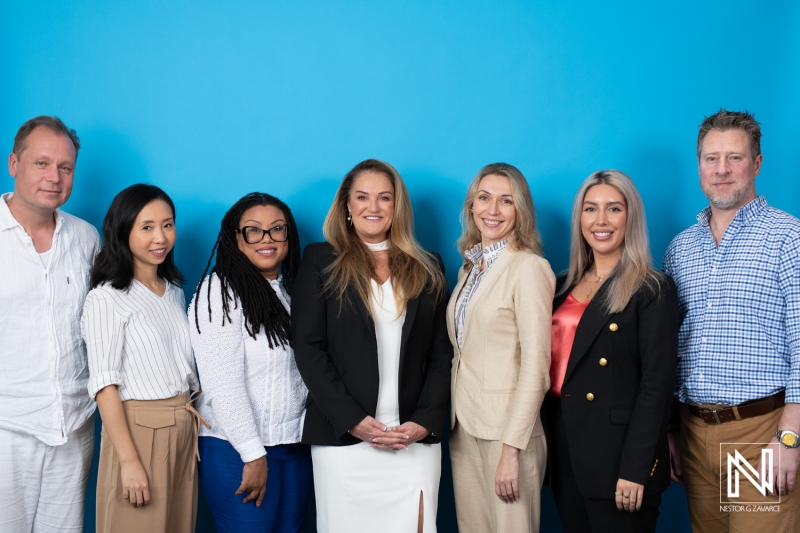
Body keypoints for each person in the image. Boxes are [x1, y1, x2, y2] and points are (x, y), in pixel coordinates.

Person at [292, 159, 451, 533]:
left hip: (412, 440)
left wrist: (424, 424)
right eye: (362, 197)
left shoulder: (429, 266)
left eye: (384, 197)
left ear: (398, 207)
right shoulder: (320, 259)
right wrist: (352, 422)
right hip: (345, 441)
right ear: (347, 205)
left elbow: (442, 355)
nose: (373, 207)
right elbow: (308, 347)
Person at [663, 109, 800, 532]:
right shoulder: (679, 249)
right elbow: (670, 345)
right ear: (699, 165)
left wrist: (790, 439)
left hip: (760, 435)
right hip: (693, 432)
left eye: (735, 158)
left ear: (756, 163)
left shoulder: (788, 238)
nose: (722, 169)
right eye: (711, 158)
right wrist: (671, 430)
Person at [542, 170, 678, 533]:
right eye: (590, 209)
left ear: (630, 217)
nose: (600, 221)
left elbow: (657, 385)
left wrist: (636, 468)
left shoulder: (651, 288)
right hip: (564, 446)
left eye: (614, 209)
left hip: (618, 455)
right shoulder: (557, 285)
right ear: (579, 218)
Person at [81, 184, 204, 533]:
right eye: (146, 227)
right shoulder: (107, 298)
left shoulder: (174, 291)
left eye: (167, 224)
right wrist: (130, 461)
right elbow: (104, 385)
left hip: (183, 427)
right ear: (123, 231)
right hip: (139, 429)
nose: (160, 237)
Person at [189, 192, 312, 532]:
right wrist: (252, 454)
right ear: (235, 238)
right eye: (253, 230)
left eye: (277, 229)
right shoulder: (219, 292)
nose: (267, 239)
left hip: (292, 447)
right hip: (237, 450)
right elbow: (221, 384)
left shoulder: (289, 295)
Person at [0, 116, 100, 532]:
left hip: (75, 425)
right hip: (8, 426)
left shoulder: (87, 238)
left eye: (65, 167)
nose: (54, 177)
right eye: (42, 164)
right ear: (14, 164)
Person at [447, 162, 555, 533]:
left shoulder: (529, 268)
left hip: (509, 436)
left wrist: (512, 449)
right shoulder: (468, 271)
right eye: (484, 198)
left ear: (520, 210)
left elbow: (536, 369)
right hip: (464, 428)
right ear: (471, 206)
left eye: (506, 201)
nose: (492, 210)